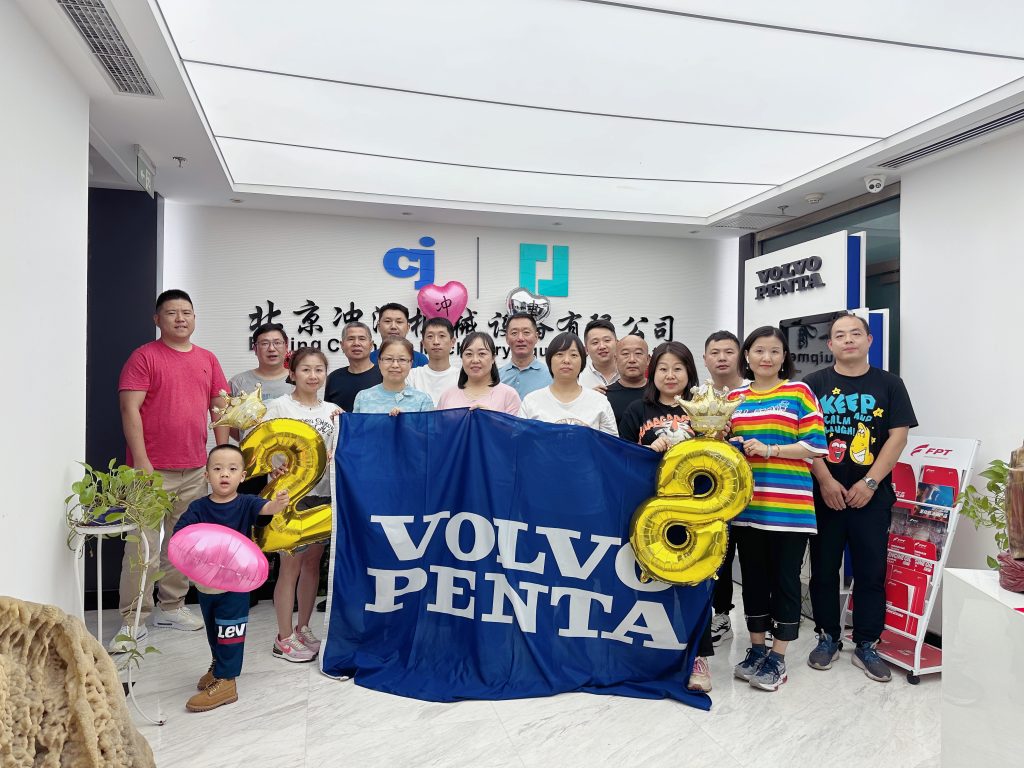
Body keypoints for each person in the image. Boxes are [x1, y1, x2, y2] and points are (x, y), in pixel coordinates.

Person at [110, 289, 229, 653]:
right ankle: (132, 621)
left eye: (186, 312)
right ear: (157, 319)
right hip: (150, 470)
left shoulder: (207, 359)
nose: (180, 318)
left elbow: (220, 408)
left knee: (182, 543)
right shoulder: (144, 357)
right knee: (142, 546)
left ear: (194, 318)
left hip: (194, 469)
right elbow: (129, 409)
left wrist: (221, 457)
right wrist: (141, 461)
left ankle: (172, 607)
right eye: (172, 312)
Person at [804, 313, 917, 683]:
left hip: (873, 496)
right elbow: (805, 438)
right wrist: (825, 481)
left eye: (856, 333)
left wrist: (869, 483)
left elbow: (898, 437)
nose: (848, 339)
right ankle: (827, 637)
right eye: (840, 335)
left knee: (871, 571)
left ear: (869, 340)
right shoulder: (813, 385)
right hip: (825, 495)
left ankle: (867, 643)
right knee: (823, 570)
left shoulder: (890, 384)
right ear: (830, 344)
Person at [729, 326, 827, 692]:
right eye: (758, 350)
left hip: (789, 508)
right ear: (748, 356)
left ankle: (779, 658)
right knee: (752, 580)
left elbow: (816, 446)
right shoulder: (735, 397)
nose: (766, 357)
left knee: (785, 582)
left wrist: (771, 450)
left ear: (784, 356)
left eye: (774, 351)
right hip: (745, 506)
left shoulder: (798, 392)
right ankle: (757, 650)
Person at [618, 342, 718, 692]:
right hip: (649, 513)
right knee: (646, 584)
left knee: (696, 585)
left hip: (697, 513)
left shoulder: (703, 409)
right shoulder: (637, 409)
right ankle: (646, 657)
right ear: (653, 372)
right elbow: (623, 460)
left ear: (689, 372)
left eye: (678, 368)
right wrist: (649, 450)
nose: (670, 375)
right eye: (663, 368)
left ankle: (699, 656)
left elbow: (718, 457)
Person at [173, 444, 290, 712]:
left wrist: (278, 503)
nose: (224, 474)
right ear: (206, 475)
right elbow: (180, 534)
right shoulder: (198, 507)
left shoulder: (246, 502)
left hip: (236, 583)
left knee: (230, 630)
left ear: (242, 476)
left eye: (232, 469)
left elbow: (267, 508)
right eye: (217, 469)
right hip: (207, 584)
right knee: (213, 628)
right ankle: (218, 666)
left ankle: (227, 682)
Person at [261, 347, 340, 663]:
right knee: (290, 564)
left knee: (312, 563)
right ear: (292, 373)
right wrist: (274, 466)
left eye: (319, 369)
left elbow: (341, 448)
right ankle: (283, 638)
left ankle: (303, 627)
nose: (313, 375)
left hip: (323, 493)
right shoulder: (278, 406)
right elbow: (262, 447)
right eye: (306, 369)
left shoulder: (333, 411)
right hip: (290, 496)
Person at [701, 330, 746, 647]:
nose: (721, 358)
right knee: (720, 556)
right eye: (715, 352)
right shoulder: (699, 397)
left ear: (740, 356)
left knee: (757, 558)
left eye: (728, 352)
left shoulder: (754, 392)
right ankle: (722, 615)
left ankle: (764, 619)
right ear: (705, 359)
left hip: (756, 489)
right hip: (713, 492)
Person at [230, 323, 293, 495]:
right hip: (250, 464)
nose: (271, 348)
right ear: (255, 348)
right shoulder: (238, 382)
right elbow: (232, 426)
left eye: (277, 342)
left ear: (286, 346)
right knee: (250, 509)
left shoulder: (298, 380)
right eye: (264, 343)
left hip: (288, 464)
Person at [519, 332, 616, 435]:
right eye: (559, 354)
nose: (566, 360)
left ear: (582, 361)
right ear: (549, 360)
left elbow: (610, 443)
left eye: (573, 355)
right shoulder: (531, 401)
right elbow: (520, 441)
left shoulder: (599, 402)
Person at [437, 332, 522, 414]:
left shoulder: (509, 396)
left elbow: (515, 424)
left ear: (493, 358)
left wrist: (491, 418)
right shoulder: (447, 396)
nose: (475, 360)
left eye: (482, 354)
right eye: (469, 354)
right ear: (462, 358)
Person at [354, 337, 434, 415]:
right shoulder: (363, 397)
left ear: (410, 363)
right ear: (379, 362)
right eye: (388, 359)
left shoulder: (423, 400)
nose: (395, 365)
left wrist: (406, 419)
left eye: (402, 359)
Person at [325, 321, 383, 413]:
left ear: (371, 345)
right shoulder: (333, 378)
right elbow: (328, 412)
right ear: (342, 345)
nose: (356, 343)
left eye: (362, 339)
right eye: (351, 339)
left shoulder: (384, 374)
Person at [406, 317, 459, 405]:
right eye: (430, 336)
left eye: (442, 336)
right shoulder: (411, 376)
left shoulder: (461, 377)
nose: (436, 342)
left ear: (452, 342)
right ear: (423, 343)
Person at [499, 312, 552, 399]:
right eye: (514, 333)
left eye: (526, 332)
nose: (520, 338)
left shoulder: (550, 376)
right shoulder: (496, 377)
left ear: (536, 337)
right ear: (507, 338)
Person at [603, 334, 650, 424]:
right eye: (625, 354)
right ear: (616, 360)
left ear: (648, 359)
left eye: (638, 353)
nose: (632, 360)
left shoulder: (660, 392)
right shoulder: (604, 397)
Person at [368, 303, 428, 368]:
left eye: (399, 322)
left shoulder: (421, 360)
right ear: (378, 326)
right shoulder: (368, 359)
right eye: (387, 321)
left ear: (408, 327)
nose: (393, 326)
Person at [578, 318, 619, 391]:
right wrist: (588, 396)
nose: (602, 346)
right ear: (586, 349)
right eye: (595, 342)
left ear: (617, 343)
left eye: (607, 340)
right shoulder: (579, 379)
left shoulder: (630, 372)